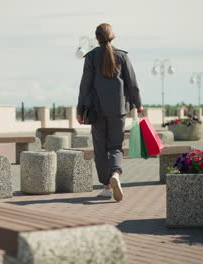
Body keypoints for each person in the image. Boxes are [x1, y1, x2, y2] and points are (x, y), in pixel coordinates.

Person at [76, 23, 143, 202]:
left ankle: (106, 186)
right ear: (113, 36)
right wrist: (139, 105)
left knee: (100, 147)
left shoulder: (90, 57)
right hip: (119, 109)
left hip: (96, 110)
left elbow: (85, 86)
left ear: (97, 38)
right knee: (115, 146)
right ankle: (115, 173)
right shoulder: (122, 56)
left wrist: (79, 110)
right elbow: (132, 84)